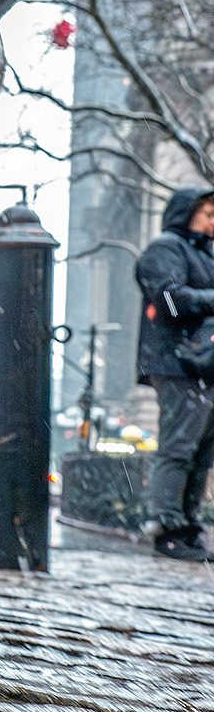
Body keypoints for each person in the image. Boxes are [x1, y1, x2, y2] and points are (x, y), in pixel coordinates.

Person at [136, 186, 214, 561]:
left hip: (204, 366)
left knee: (200, 453)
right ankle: (167, 528)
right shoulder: (166, 248)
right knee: (179, 449)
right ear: (188, 213)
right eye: (208, 214)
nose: (213, 222)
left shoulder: (204, 254)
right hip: (178, 364)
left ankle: (187, 527)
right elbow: (169, 300)